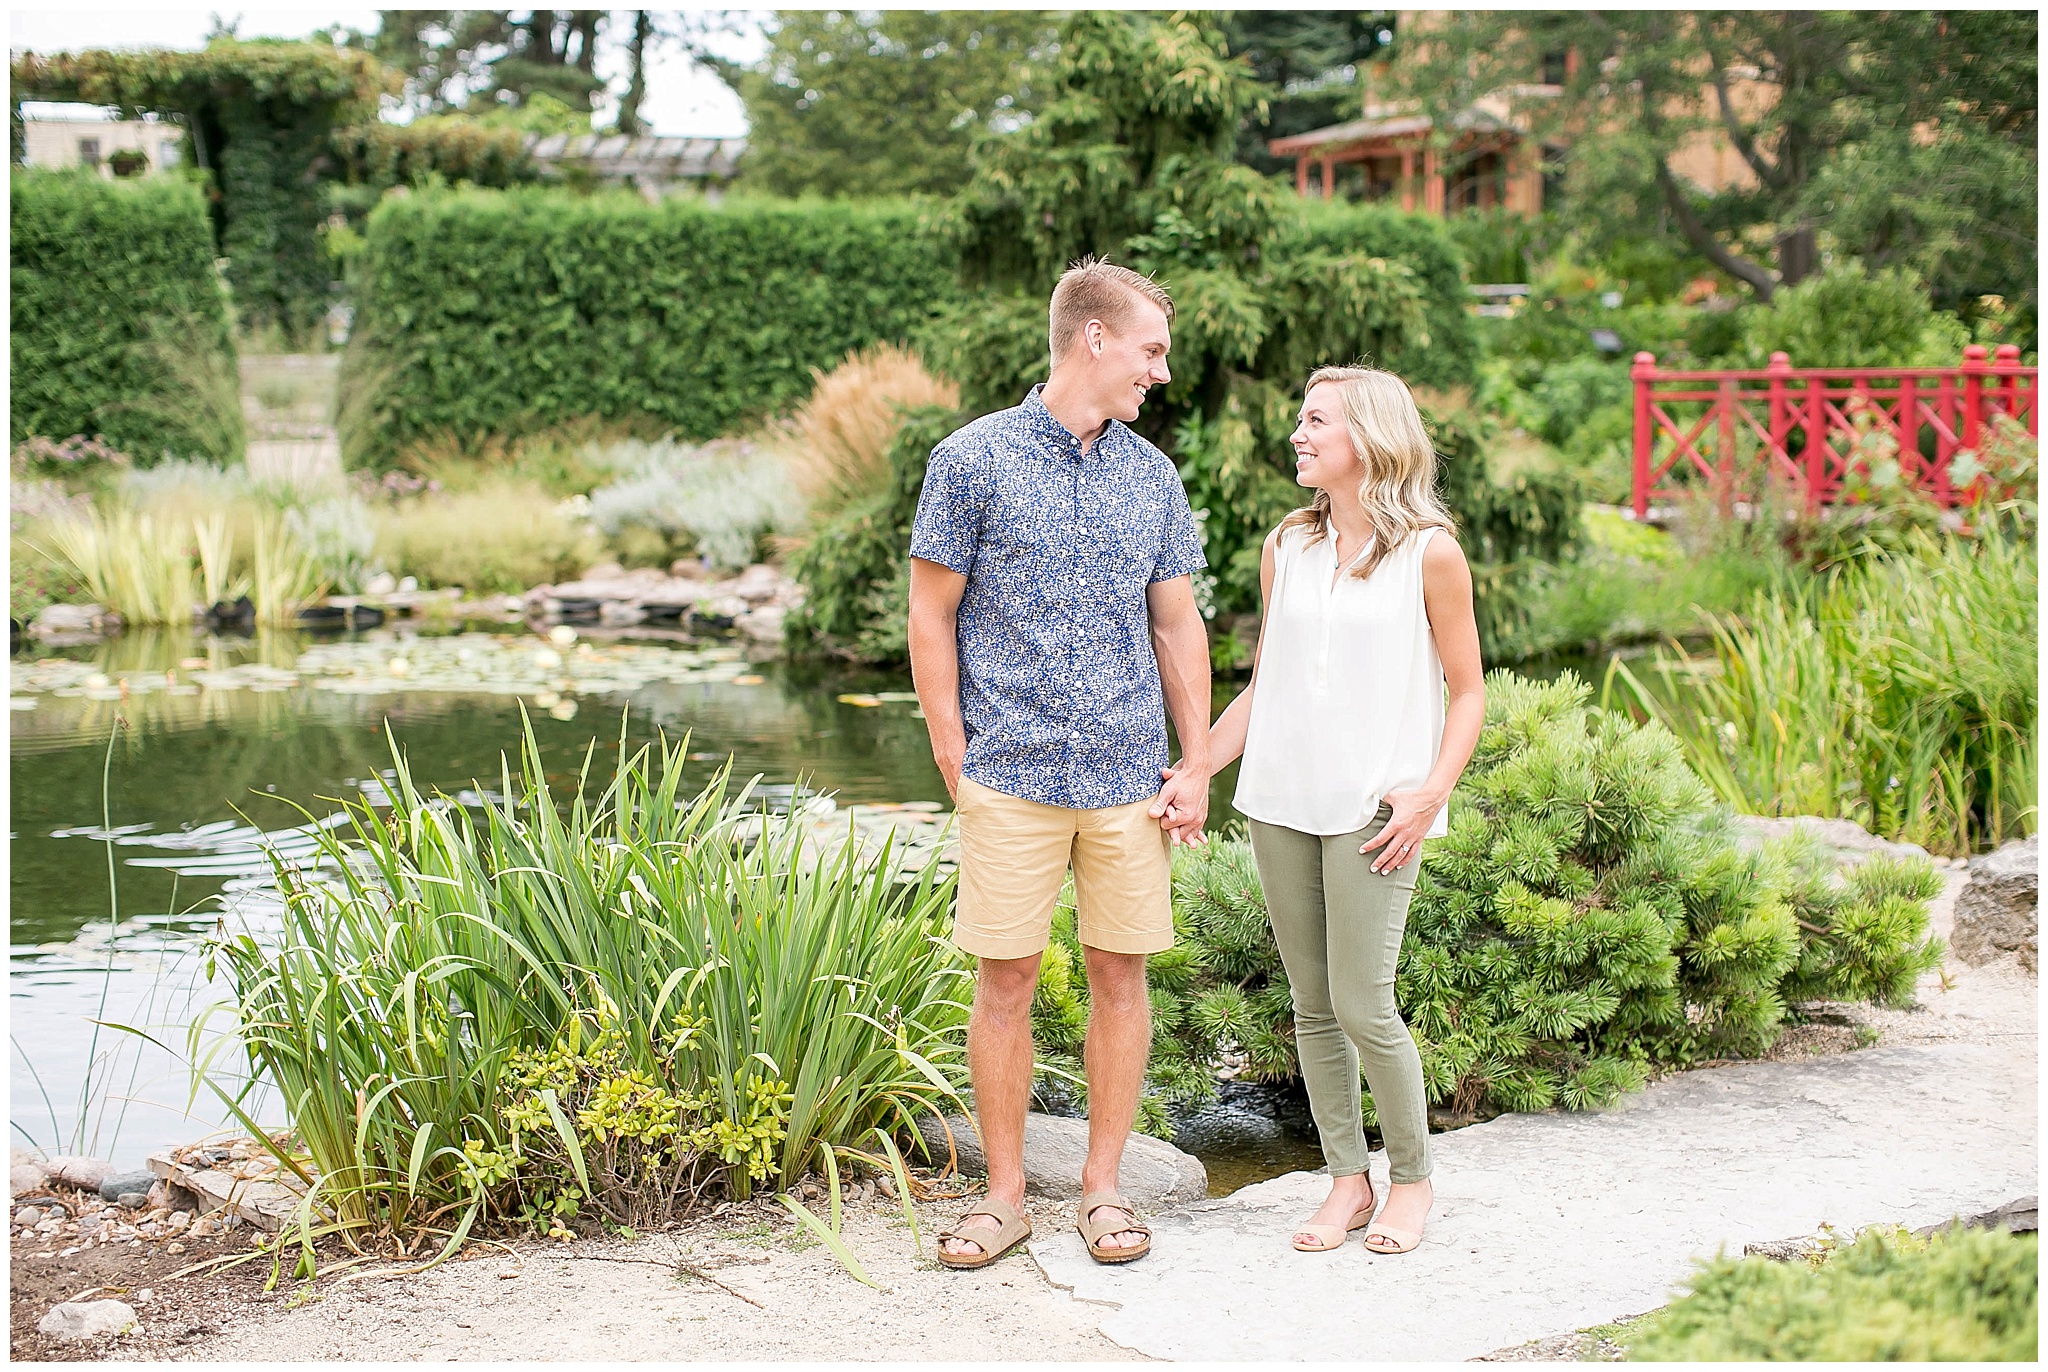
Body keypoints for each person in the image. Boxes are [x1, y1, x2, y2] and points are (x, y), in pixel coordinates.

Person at [907, 256, 1213, 1270]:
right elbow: (929, 613)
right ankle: (1001, 1197)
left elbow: (1177, 626)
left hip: (1128, 780)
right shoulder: (970, 459)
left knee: (1120, 982)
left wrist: (1197, 760)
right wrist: (955, 757)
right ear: (1093, 338)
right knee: (1005, 984)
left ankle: (1101, 1189)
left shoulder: (1151, 476)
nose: (1157, 373)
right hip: (1011, 774)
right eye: (1149, 349)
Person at [1200, 365, 1484, 1256]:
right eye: (1301, 419)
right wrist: (1193, 767)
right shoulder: (1287, 545)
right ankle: (1345, 1181)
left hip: (1374, 808)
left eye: (1315, 420)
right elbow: (1266, 686)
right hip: (1281, 801)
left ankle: (1413, 1181)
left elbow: (1468, 690)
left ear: (1367, 436)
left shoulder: (1431, 552)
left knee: (1365, 1003)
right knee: (1312, 1005)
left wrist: (1431, 790)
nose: (1298, 433)